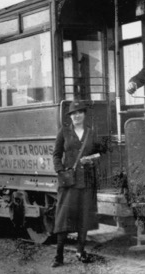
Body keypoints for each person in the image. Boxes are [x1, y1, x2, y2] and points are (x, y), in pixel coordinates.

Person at [51, 101, 103, 267]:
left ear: (84, 115)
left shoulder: (91, 133)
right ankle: (58, 256)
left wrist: (93, 159)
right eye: (74, 113)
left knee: (84, 217)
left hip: (87, 181)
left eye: (80, 112)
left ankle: (80, 251)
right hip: (69, 182)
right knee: (63, 218)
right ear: (70, 117)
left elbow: (101, 152)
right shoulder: (64, 132)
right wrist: (60, 171)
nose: (77, 116)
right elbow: (56, 155)